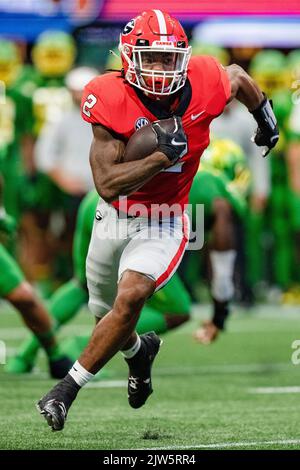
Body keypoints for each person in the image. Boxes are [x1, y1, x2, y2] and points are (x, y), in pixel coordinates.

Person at [37, 9, 279, 431]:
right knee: (106, 318)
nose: (162, 69)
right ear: (130, 58)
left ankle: (65, 390)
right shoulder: (109, 95)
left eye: (170, 59)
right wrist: (159, 157)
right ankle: (140, 353)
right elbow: (108, 183)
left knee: (130, 298)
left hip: (166, 218)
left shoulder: (204, 80)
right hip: (113, 215)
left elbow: (239, 77)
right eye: (152, 58)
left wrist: (265, 119)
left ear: (183, 58)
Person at [8, 190, 191, 373]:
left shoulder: (198, 177)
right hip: (134, 214)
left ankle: (24, 356)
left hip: (95, 202)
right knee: (177, 309)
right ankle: (83, 345)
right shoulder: (210, 191)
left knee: (81, 285)